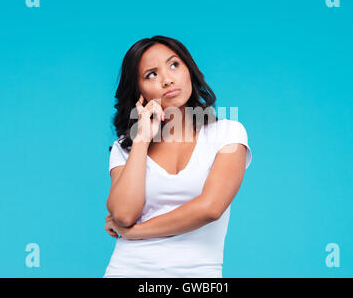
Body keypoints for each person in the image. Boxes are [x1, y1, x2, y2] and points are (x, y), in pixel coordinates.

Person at [103, 35, 252, 278]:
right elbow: (123, 214)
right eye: (151, 74)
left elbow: (210, 208)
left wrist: (134, 232)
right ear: (138, 91)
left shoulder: (227, 133)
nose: (167, 79)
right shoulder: (126, 147)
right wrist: (141, 139)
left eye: (174, 65)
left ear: (189, 70)